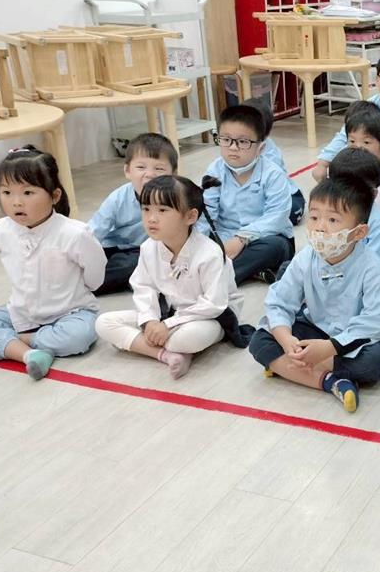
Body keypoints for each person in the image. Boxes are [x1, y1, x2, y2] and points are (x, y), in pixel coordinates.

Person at [248, 177, 380, 413]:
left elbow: (374, 323)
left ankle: (286, 367)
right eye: (314, 217)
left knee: (373, 363)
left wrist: (329, 348)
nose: (320, 227)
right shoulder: (305, 257)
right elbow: (279, 302)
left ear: (359, 232)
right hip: (318, 327)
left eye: (332, 220)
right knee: (260, 341)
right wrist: (287, 341)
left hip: (365, 336)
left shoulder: (372, 266)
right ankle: (330, 381)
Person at [0, 146, 105, 380]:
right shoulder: (0, 230)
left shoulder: (75, 233)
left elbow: (95, 278)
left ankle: (20, 341)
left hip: (71, 312)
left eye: (27, 193)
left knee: (78, 336)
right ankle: (30, 354)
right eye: (7, 192)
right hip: (22, 314)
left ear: (54, 196)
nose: (16, 202)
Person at [95, 175, 246, 379]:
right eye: (146, 209)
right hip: (169, 314)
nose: (151, 218)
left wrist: (167, 325)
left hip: (210, 317)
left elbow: (214, 304)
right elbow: (143, 286)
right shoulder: (148, 247)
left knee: (184, 339)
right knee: (104, 322)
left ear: (190, 217)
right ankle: (166, 355)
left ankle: (166, 346)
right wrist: (150, 321)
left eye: (163, 210)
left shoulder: (210, 253)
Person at [201, 104, 294, 285]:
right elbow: (206, 213)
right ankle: (249, 270)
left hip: (264, 238)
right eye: (226, 139)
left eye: (243, 142)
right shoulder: (214, 171)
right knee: (196, 237)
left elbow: (277, 218)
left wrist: (241, 238)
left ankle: (215, 278)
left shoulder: (273, 174)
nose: (233, 147)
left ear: (261, 148)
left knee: (277, 247)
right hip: (224, 238)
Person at [88, 132, 177, 295]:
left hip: (145, 251)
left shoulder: (177, 198)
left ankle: (91, 285)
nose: (150, 174)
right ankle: (86, 281)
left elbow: (190, 229)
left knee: (139, 263)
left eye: (159, 168)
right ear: (127, 171)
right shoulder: (118, 198)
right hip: (114, 248)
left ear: (173, 174)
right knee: (95, 260)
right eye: (141, 167)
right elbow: (94, 232)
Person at [312, 53, 380, 179]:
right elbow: (345, 135)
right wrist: (323, 163)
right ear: (377, 80)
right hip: (365, 166)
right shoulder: (367, 106)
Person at [243, 96, 305, 225]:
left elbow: (274, 188)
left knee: (289, 212)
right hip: (256, 198)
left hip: (286, 197)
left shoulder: (270, 154)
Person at [328, 147, 380, 261]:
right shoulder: (327, 213)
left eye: (353, 191)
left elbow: (372, 264)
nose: (344, 195)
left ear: (373, 194)